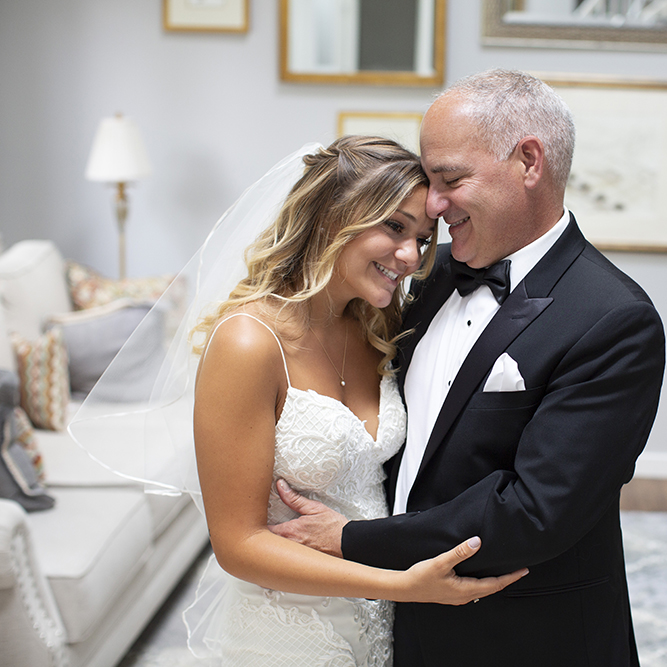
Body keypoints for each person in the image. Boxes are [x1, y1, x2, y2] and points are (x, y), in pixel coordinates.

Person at [271, 69, 667, 666]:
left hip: (526, 639)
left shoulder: (614, 318)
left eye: (450, 179)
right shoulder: (424, 274)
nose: (432, 205)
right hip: (395, 622)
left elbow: (533, 512)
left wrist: (353, 540)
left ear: (528, 162)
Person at [174, 136, 526, 666]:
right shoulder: (248, 342)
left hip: (379, 625)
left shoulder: (374, 327)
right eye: (395, 227)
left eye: (423, 238)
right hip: (287, 632)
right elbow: (238, 546)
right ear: (333, 216)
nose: (412, 257)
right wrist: (402, 585)